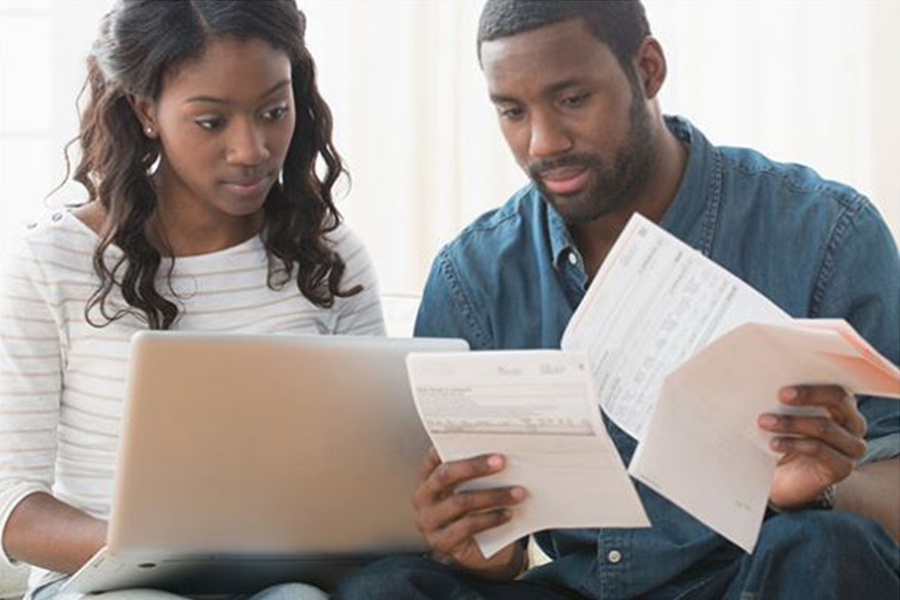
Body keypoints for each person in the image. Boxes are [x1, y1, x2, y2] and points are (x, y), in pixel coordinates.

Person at [335, 1, 900, 598]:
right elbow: (482, 542)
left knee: (824, 547)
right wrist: (481, 553)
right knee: (385, 586)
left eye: (573, 99)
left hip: (751, 580)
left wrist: (823, 489)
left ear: (649, 70)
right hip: (573, 588)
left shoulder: (826, 232)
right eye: (512, 111)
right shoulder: (470, 277)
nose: (543, 141)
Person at [0, 1, 385, 599]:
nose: (252, 149)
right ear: (145, 110)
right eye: (212, 122)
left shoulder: (328, 256)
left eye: (273, 111)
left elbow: (372, 466)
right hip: (105, 584)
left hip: (279, 578)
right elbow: (14, 507)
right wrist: (152, 549)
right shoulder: (52, 262)